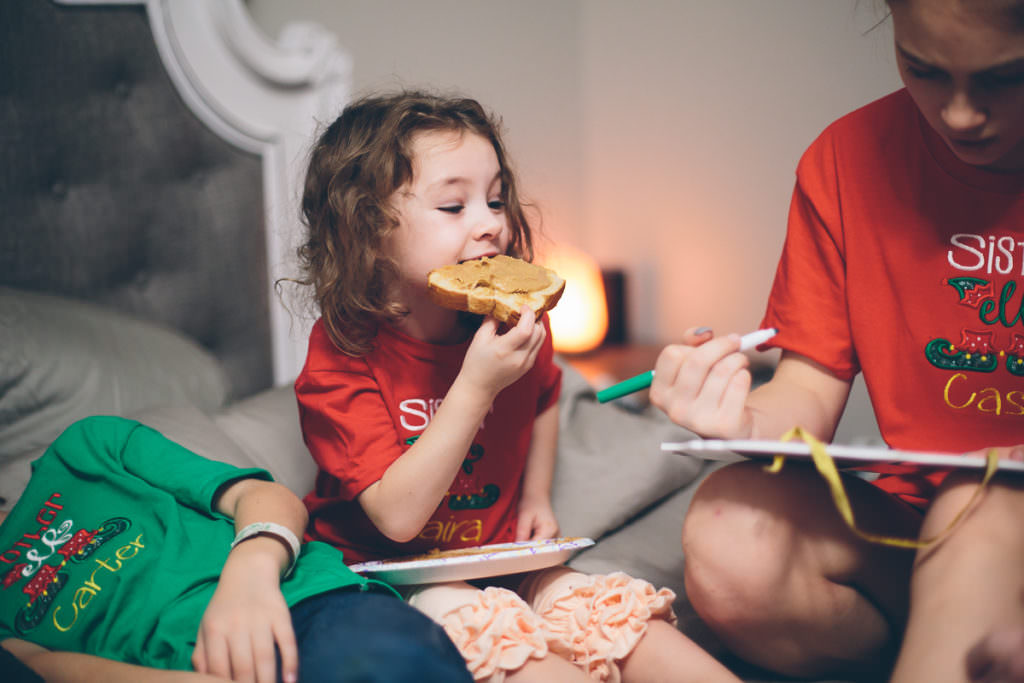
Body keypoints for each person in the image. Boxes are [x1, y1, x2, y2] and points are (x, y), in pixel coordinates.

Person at [290, 90, 741, 683]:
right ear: (368, 231)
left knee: (616, 622)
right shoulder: (341, 354)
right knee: (505, 643)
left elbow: (546, 394)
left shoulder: (513, 318)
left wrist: (535, 497)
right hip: (391, 577)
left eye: (496, 198)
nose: (492, 224)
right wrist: (476, 386)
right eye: (454, 206)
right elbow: (397, 517)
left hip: (504, 554)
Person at [646, 0, 1024, 681]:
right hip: (913, 526)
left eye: (1006, 76)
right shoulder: (847, 159)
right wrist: (738, 416)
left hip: (993, 513)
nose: (962, 114)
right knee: (731, 526)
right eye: (924, 69)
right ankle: (959, 636)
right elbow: (807, 389)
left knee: (982, 498)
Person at [0, 415, 473, 683]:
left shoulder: (85, 448)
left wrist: (248, 579)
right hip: (188, 672)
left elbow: (260, 495)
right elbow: (42, 667)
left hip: (299, 605)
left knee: (378, 666)